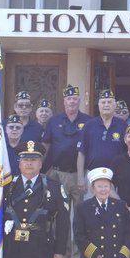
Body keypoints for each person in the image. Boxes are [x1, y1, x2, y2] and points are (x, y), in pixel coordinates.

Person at [43, 84, 93, 225]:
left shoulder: (89, 121)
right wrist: (42, 168)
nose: (72, 101)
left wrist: (84, 176)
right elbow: (46, 145)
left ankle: (78, 248)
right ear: (64, 101)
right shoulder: (54, 121)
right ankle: (62, 248)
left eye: (75, 98)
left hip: (80, 176)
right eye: (69, 98)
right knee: (60, 218)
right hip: (58, 175)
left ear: (79, 101)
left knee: (80, 218)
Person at [77, 89, 128, 198]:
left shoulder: (123, 126)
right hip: (92, 176)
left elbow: (127, 152)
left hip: (116, 177)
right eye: (103, 102)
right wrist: (81, 177)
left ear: (115, 105)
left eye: (109, 102)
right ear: (99, 105)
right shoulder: (89, 125)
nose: (106, 105)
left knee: (114, 210)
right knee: (91, 211)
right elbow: (81, 153)